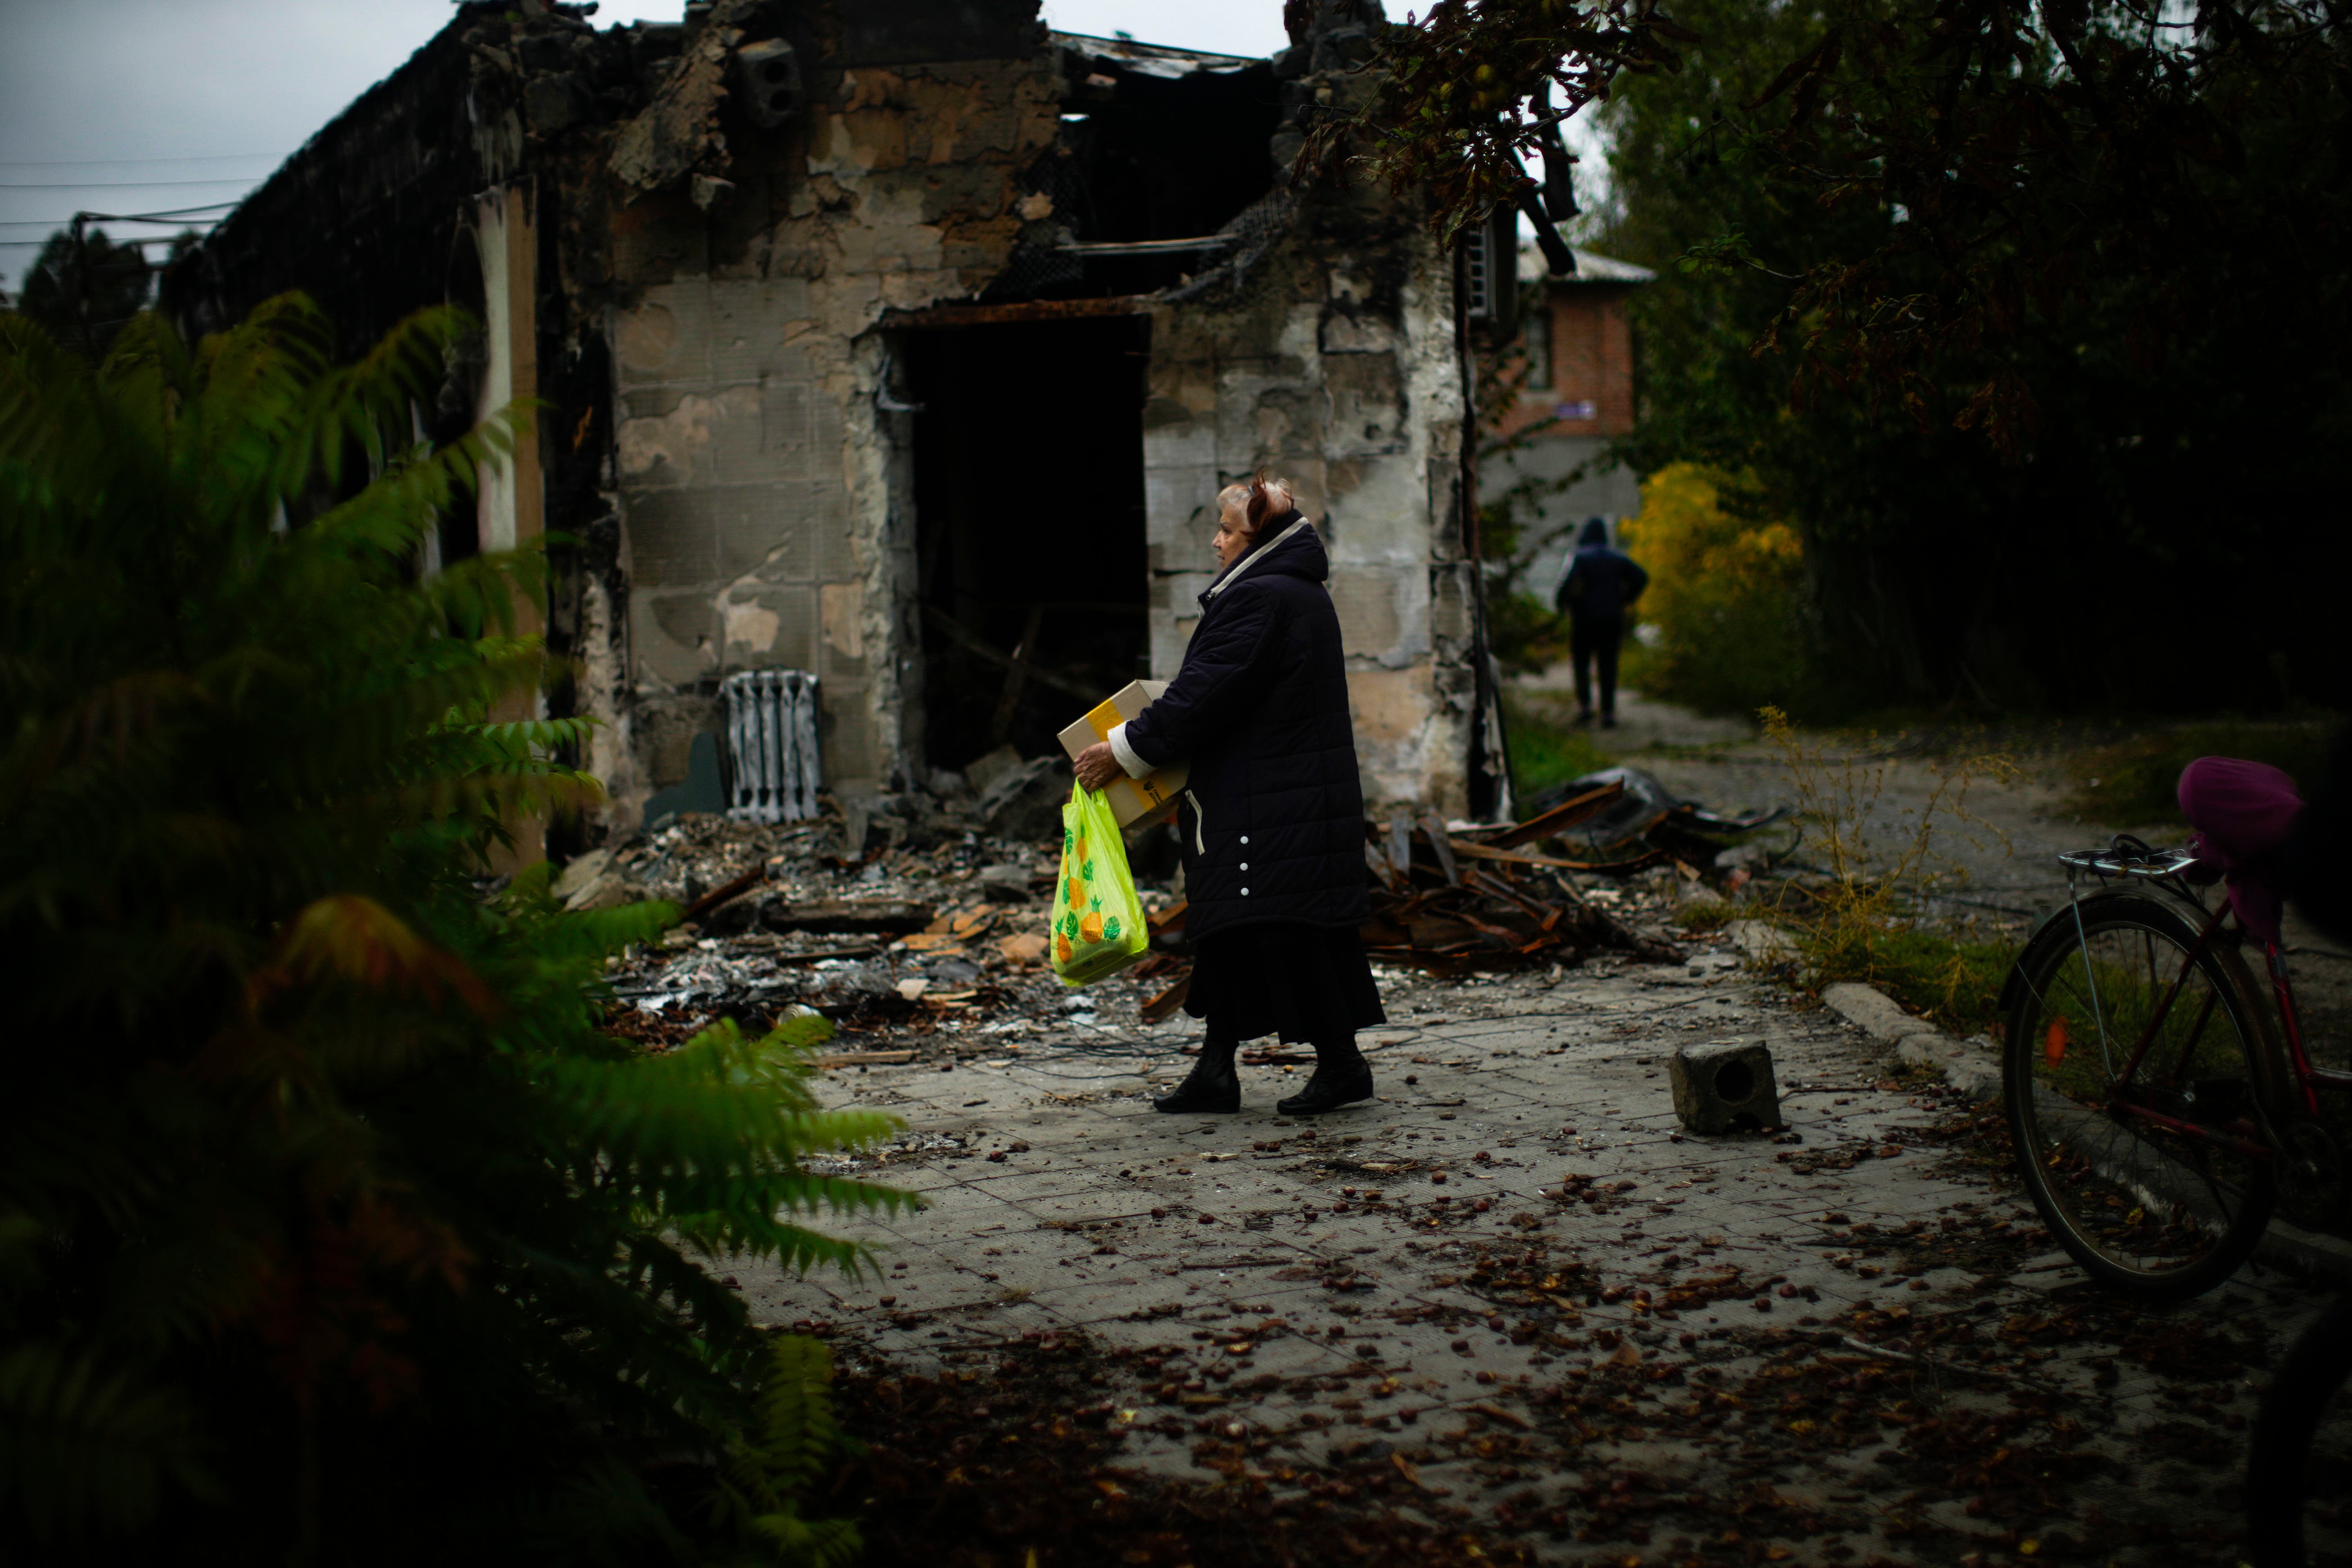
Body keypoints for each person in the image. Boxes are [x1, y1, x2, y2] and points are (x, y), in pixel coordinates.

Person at [1071, 474, 1384, 1116]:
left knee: (1278, 928)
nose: (1215, 543)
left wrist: (1121, 749)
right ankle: (1217, 1070)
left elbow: (1204, 695)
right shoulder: (1288, 592)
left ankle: (1342, 1064)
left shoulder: (1259, 598)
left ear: (1257, 537)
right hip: (1277, 796)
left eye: (1226, 531)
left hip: (1268, 800)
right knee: (1233, 929)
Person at [1552, 516, 1649, 727]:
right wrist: (1626, 599)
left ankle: (1585, 707)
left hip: (1584, 618)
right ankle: (1608, 712)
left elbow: (1568, 583)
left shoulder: (1580, 557)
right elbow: (1641, 577)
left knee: (1582, 663)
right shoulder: (1618, 558)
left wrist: (1563, 605)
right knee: (1608, 664)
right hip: (1612, 618)